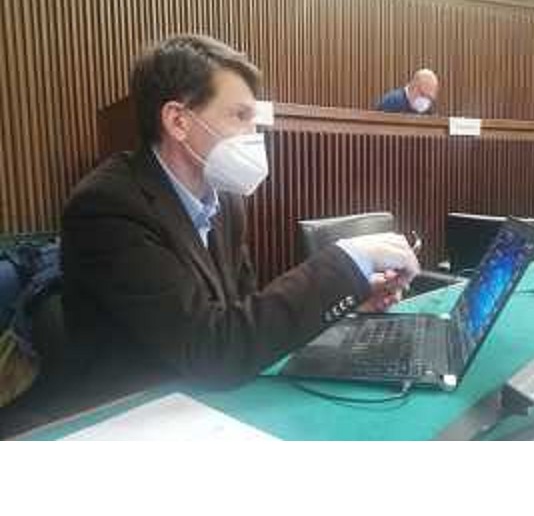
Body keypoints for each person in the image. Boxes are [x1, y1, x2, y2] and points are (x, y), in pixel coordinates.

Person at [61, 34, 420, 391]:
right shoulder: (108, 206)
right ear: (178, 121)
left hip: (201, 397)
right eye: (240, 116)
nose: (255, 134)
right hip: (128, 408)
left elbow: (244, 318)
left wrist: (350, 295)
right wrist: (348, 261)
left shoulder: (225, 200)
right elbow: (214, 349)